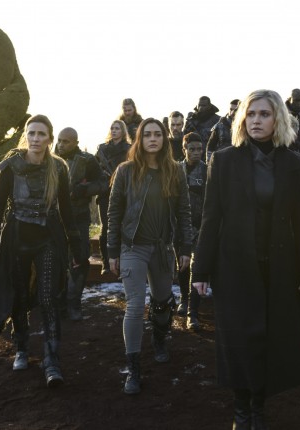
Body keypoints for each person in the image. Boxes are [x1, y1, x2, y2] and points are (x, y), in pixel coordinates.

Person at [192, 89, 300, 429]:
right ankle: (241, 410)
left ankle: (258, 409)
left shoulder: (297, 165)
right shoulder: (223, 161)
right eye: (251, 114)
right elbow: (211, 218)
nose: (256, 121)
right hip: (234, 268)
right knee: (239, 340)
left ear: (278, 119)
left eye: (264, 114)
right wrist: (200, 270)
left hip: (279, 269)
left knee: (269, 340)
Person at [0, 114, 83, 388]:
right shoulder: (10, 166)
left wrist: (76, 248)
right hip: (16, 238)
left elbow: (66, 211)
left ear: (50, 139)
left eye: (41, 134)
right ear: (26, 136)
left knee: (48, 297)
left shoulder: (58, 168)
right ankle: (22, 347)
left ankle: (52, 359)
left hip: (48, 237)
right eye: (32, 133)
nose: (36, 138)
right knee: (19, 294)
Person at [107, 117, 193, 395]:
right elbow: (114, 212)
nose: (153, 139)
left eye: (158, 134)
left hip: (163, 247)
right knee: (134, 306)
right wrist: (112, 251)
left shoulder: (175, 171)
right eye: (147, 135)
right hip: (133, 247)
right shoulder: (126, 171)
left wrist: (185, 248)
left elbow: (184, 212)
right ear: (140, 139)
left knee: (162, 303)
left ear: (164, 139)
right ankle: (133, 368)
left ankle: (159, 339)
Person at [55, 127, 104, 321]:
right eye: (59, 140)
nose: (61, 144)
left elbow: (103, 183)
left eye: (65, 141)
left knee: (80, 259)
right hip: (54, 219)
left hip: (79, 218)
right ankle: (59, 304)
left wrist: (83, 190)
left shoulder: (87, 160)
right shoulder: (50, 160)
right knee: (56, 260)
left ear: (75, 142)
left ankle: (74, 303)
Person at [175, 132, 208, 330]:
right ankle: (183, 299)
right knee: (182, 266)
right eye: (192, 149)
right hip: (178, 228)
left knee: (196, 267)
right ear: (184, 150)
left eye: (199, 149)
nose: (196, 152)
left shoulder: (207, 171)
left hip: (199, 227)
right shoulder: (175, 170)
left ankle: (192, 313)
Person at [95, 120, 131, 275]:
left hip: (124, 192)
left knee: (123, 226)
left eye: (117, 128)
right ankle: (106, 263)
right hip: (105, 192)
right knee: (106, 227)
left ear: (123, 131)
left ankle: (121, 262)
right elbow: (94, 169)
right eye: (112, 128)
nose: (114, 130)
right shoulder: (102, 149)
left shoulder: (129, 149)